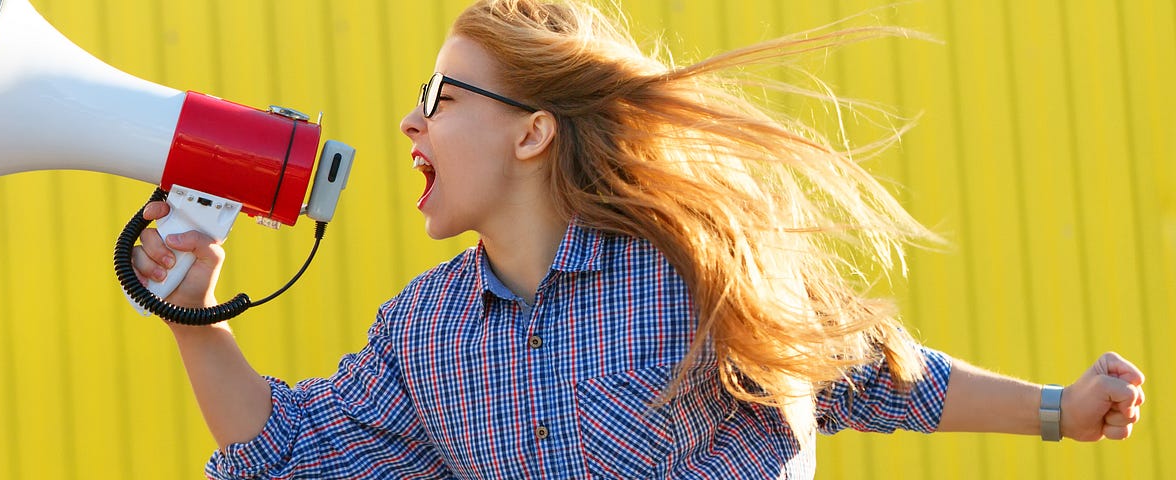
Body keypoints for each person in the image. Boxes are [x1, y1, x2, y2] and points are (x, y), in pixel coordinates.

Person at [128, 0, 1146, 478]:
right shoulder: (422, 334)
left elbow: (883, 378)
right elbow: (288, 452)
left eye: (436, 98)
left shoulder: (693, 275)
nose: (409, 124)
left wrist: (1059, 409)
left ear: (533, 132)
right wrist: (190, 316)